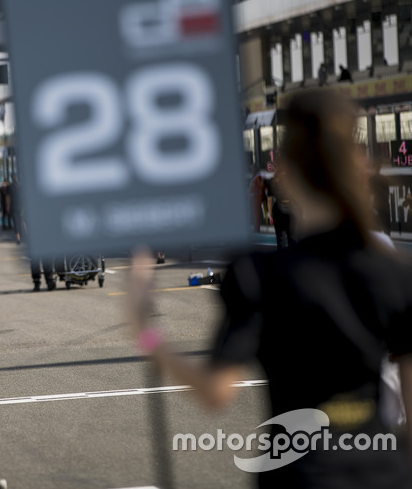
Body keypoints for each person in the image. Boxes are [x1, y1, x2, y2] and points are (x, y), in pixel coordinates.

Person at [130, 90, 412, 489]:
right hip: (384, 474)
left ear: (290, 172)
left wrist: (146, 332)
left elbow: (215, 393)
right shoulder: (396, 273)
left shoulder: (258, 275)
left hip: (299, 475)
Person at [266, 160, 297, 249]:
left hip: (278, 210)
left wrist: (270, 214)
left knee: (280, 239)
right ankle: (293, 260)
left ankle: (282, 260)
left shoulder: (272, 181)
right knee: (292, 238)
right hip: (291, 209)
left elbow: (269, 199)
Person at [370, 160, 391, 235]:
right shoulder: (385, 179)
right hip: (386, 206)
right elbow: (388, 194)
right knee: (387, 228)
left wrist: (371, 206)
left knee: (378, 228)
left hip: (377, 206)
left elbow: (372, 194)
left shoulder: (372, 179)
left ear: (374, 168)